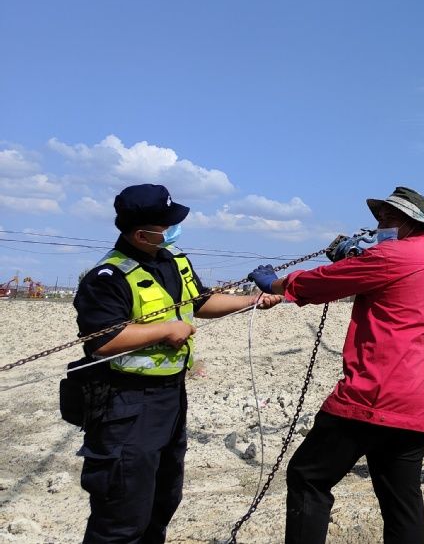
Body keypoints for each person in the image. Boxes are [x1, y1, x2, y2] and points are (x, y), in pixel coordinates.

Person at [72, 184, 282, 544]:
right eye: (165, 226)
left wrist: (252, 301)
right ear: (141, 234)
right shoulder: (107, 277)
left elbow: (200, 303)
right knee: (123, 513)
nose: (171, 231)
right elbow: (102, 341)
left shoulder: (173, 261)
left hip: (170, 398)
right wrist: (164, 331)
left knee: (163, 500)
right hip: (125, 406)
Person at [248, 185, 424, 544]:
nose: (381, 227)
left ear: (410, 223)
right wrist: (355, 259)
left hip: (372, 397)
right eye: (379, 219)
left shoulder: (393, 257)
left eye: (388, 220)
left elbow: (324, 282)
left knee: (307, 476)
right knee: (401, 501)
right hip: (418, 402)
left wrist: (279, 283)